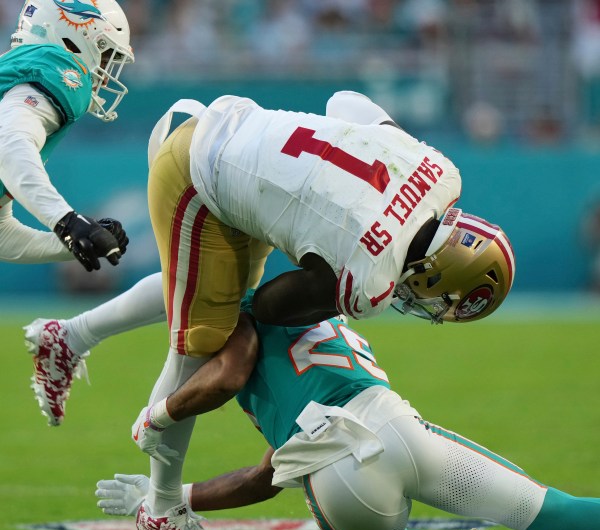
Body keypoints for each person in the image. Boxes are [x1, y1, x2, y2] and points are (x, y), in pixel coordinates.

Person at [25, 90, 515, 427]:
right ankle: (161, 503)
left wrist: (387, 141)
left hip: (239, 128)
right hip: (203, 175)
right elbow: (271, 309)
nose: (431, 306)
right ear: (444, 269)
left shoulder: (441, 171)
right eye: (442, 300)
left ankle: (70, 336)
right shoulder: (373, 281)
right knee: (202, 341)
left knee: (204, 290)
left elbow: (345, 102)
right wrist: (335, 285)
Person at [94, 291, 597, 530]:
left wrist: (158, 418)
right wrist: (175, 497)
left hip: (332, 471)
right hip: (395, 430)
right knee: (556, 509)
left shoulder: (237, 309)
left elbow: (226, 382)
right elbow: (262, 474)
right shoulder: (319, 308)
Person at [1, 0, 133, 269]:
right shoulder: (56, 66)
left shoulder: (17, 76)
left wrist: (77, 238)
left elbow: (2, 236)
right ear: (72, 40)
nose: (105, 77)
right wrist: (66, 220)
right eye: (105, 55)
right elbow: (10, 143)